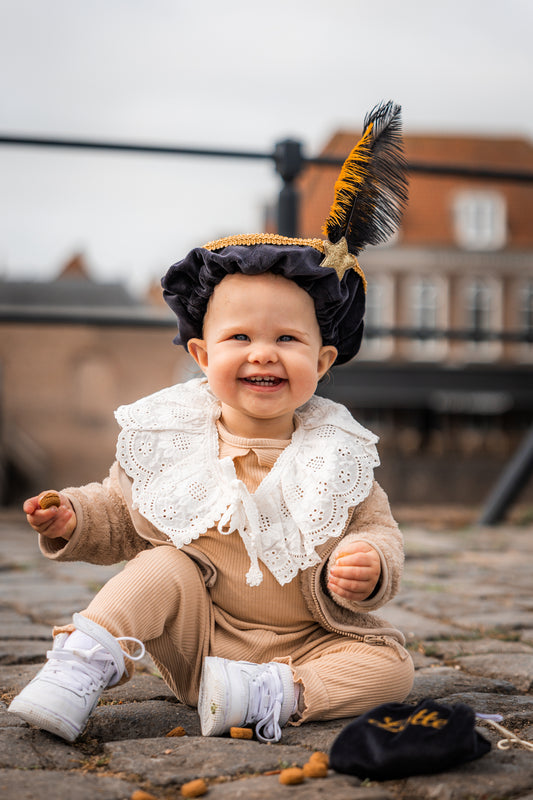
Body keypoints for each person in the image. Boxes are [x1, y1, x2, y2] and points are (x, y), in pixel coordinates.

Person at [9, 101, 414, 744]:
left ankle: (271, 695)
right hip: (202, 638)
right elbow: (121, 513)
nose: (263, 353)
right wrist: (75, 518)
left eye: (287, 339)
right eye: (239, 338)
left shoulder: (339, 453)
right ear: (202, 356)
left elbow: (377, 529)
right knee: (162, 565)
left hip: (312, 640)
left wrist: (370, 563)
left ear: (322, 361)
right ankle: (83, 659)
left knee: (391, 670)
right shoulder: (174, 440)